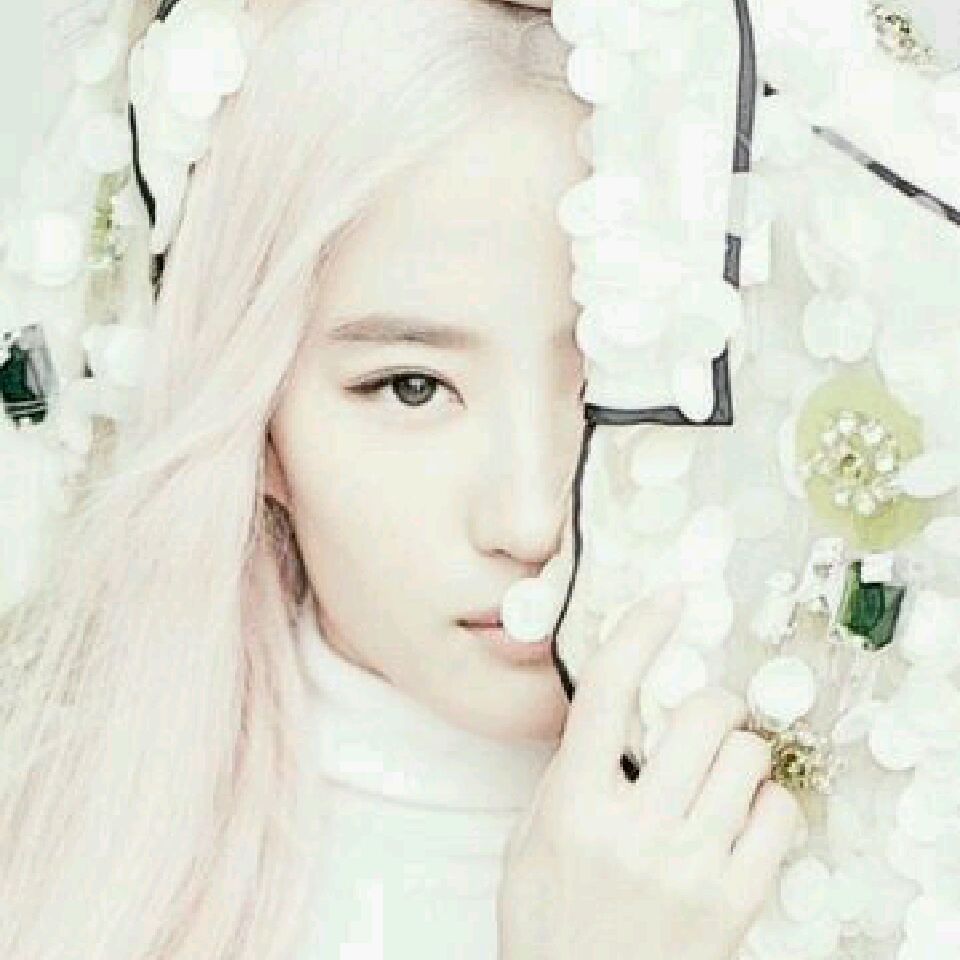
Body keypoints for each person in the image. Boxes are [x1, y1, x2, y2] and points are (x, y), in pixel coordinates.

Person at [0, 1, 800, 957]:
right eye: (411, 387)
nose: (531, 519)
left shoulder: (877, 859)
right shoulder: (54, 881)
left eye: (608, 380)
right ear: (258, 424)